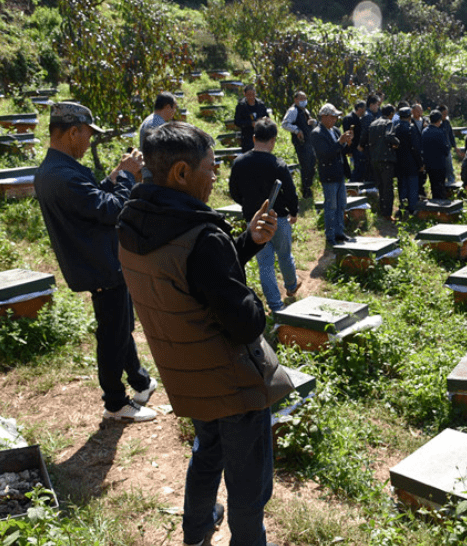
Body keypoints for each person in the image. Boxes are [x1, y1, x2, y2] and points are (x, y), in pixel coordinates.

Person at [116, 121, 281, 546]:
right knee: (248, 487)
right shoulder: (203, 236)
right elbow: (245, 320)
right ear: (182, 174)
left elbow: (188, 280)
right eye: (211, 167)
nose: (216, 176)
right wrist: (255, 299)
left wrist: (245, 243)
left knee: (207, 453)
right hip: (232, 382)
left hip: (187, 373)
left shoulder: (134, 221)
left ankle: (196, 530)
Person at [35, 102, 156, 423]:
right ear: (73, 132)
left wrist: (116, 173)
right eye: (87, 134)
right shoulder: (63, 175)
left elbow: (92, 199)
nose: (89, 141)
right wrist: (129, 177)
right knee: (112, 334)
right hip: (100, 263)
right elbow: (113, 209)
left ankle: (141, 382)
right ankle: (115, 403)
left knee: (118, 327)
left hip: (98, 261)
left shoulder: (57, 170)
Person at [229, 117, 301, 313]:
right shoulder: (277, 164)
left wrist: (247, 205)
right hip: (278, 219)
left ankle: (276, 306)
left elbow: (234, 191)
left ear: (253, 138)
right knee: (285, 256)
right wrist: (293, 211)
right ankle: (291, 286)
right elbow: (291, 192)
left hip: (254, 221)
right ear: (273, 140)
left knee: (265, 264)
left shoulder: (239, 163)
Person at [311, 103, 353, 246]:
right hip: (328, 174)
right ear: (324, 116)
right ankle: (330, 235)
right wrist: (339, 142)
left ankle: (339, 232)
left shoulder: (335, 130)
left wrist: (346, 143)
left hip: (339, 172)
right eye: (333, 116)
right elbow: (325, 155)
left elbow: (340, 151)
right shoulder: (317, 133)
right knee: (331, 206)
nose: (335, 119)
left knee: (342, 204)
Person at [362, 103, 399, 220]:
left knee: (380, 187)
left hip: (375, 159)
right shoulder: (388, 123)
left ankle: (381, 210)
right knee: (388, 188)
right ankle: (387, 213)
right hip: (386, 159)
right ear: (391, 114)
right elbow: (389, 136)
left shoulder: (372, 123)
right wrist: (397, 142)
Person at [281, 90, 316, 198]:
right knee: (305, 166)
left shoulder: (305, 110)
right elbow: (285, 124)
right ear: (295, 100)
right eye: (301, 99)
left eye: (305, 98)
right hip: (301, 143)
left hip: (309, 142)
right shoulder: (293, 110)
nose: (304, 101)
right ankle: (305, 190)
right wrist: (297, 130)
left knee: (312, 164)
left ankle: (308, 187)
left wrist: (312, 122)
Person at [394, 106, 423, 217]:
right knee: (413, 187)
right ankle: (412, 210)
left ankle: (402, 208)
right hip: (411, 163)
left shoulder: (396, 128)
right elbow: (415, 148)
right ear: (409, 116)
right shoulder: (412, 128)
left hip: (399, 162)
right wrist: (420, 163)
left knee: (402, 186)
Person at [421, 110, 451, 200]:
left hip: (429, 164)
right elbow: (445, 148)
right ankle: (441, 205)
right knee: (440, 186)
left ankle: (434, 204)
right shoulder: (440, 132)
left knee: (433, 185)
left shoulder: (425, 131)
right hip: (440, 163)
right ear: (439, 121)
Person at [234, 84, 269, 152]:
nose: (251, 97)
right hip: (247, 137)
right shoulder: (241, 106)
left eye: (253, 94)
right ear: (245, 94)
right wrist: (250, 123)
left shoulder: (260, 105)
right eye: (249, 94)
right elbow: (237, 121)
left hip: (260, 136)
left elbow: (267, 117)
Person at [342, 100, 366, 181]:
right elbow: (348, 135)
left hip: (358, 147)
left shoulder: (359, 119)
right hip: (353, 148)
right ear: (359, 108)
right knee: (356, 169)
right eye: (363, 108)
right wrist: (350, 148)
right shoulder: (349, 118)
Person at [438, 105, 458, 186]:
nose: (445, 116)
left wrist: (455, 146)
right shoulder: (435, 123)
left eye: (446, 114)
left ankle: (452, 182)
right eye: (444, 114)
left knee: (449, 167)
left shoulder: (447, 122)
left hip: (447, 149)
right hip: (439, 150)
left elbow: (451, 135)